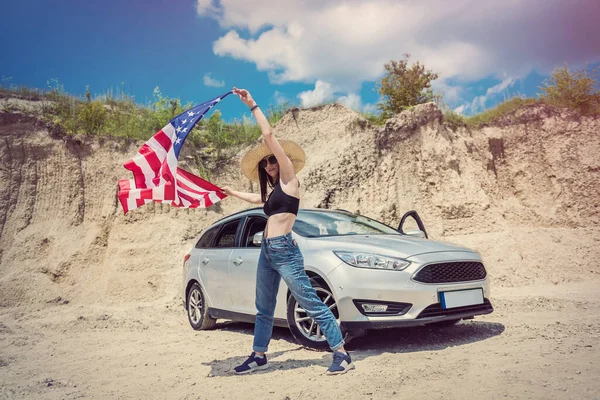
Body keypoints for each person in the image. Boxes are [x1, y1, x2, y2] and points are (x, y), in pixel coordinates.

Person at [218, 87, 354, 376]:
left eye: (271, 160)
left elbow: (268, 137)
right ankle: (259, 355)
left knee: (308, 299)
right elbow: (259, 200)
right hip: (267, 252)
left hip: (285, 250)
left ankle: (341, 353)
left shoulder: (290, 178)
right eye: (264, 163)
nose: (268, 165)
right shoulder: (273, 193)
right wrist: (231, 192)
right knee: (263, 306)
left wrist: (253, 104)